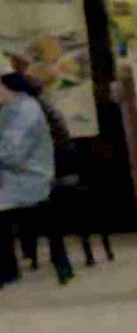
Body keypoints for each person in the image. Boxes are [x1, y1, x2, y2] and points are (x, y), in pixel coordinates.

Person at [0, 72, 72, 286]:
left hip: (28, 177)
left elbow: (12, 154)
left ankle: (6, 270)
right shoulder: (11, 109)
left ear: (8, 88)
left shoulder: (26, 111)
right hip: (12, 174)